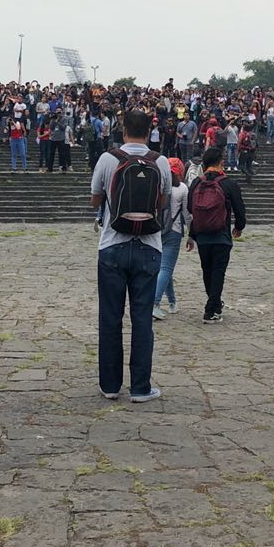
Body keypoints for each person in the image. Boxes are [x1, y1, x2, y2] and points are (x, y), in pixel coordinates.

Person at [89, 108, 172, 402]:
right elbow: (163, 202)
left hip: (112, 243)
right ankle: (140, 387)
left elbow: (95, 199)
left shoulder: (108, 159)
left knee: (110, 317)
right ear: (150, 131)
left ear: (123, 131)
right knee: (142, 320)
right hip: (149, 246)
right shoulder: (160, 162)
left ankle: (110, 385)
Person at [186, 146, 247, 323]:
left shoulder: (197, 182)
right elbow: (239, 209)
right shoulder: (228, 183)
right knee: (218, 272)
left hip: (202, 234)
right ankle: (211, 308)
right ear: (221, 162)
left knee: (207, 270)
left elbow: (191, 208)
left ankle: (214, 303)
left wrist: (193, 233)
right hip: (221, 234)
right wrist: (239, 226)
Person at [153, 156, 190, 320]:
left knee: (164, 268)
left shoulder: (157, 185)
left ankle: (173, 302)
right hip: (174, 231)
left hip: (155, 231)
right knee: (166, 268)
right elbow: (186, 214)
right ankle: (154, 303)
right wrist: (192, 234)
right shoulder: (182, 188)